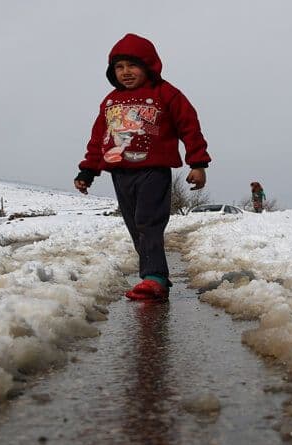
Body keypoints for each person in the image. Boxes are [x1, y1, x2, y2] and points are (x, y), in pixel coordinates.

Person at [74, 33, 211, 301]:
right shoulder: (111, 101)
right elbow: (99, 137)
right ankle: (154, 276)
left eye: (132, 65)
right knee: (135, 226)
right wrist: (88, 170)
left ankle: (154, 277)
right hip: (120, 171)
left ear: (148, 66)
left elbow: (189, 126)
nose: (125, 72)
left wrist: (197, 163)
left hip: (153, 170)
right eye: (119, 67)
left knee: (148, 222)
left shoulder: (166, 93)